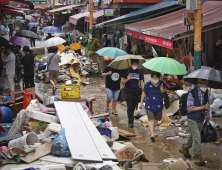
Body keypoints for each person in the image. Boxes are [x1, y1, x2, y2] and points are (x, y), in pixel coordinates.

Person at [179, 79, 210, 166]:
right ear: (198, 84)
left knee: (194, 136)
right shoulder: (191, 93)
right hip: (192, 118)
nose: (205, 86)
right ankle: (198, 157)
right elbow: (190, 109)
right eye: (203, 84)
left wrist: (207, 115)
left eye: (206, 84)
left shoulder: (206, 92)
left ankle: (184, 148)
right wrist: (203, 107)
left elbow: (207, 105)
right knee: (197, 138)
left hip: (201, 118)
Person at [139, 72, 165, 141]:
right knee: (151, 119)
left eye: (156, 78)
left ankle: (152, 131)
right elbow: (144, 93)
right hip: (149, 104)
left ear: (159, 78)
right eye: (153, 78)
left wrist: (163, 90)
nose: (155, 79)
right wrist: (141, 103)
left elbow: (164, 93)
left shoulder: (161, 83)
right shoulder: (147, 84)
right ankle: (152, 134)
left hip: (159, 104)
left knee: (156, 120)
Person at [121, 59, 144, 127]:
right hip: (128, 91)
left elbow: (142, 82)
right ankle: (130, 121)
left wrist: (144, 90)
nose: (135, 65)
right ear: (131, 64)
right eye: (134, 64)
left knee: (134, 106)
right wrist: (127, 79)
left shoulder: (139, 72)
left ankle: (131, 117)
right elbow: (122, 81)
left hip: (136, 91)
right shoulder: (126, 71)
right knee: (129, 106)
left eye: (136, 64)